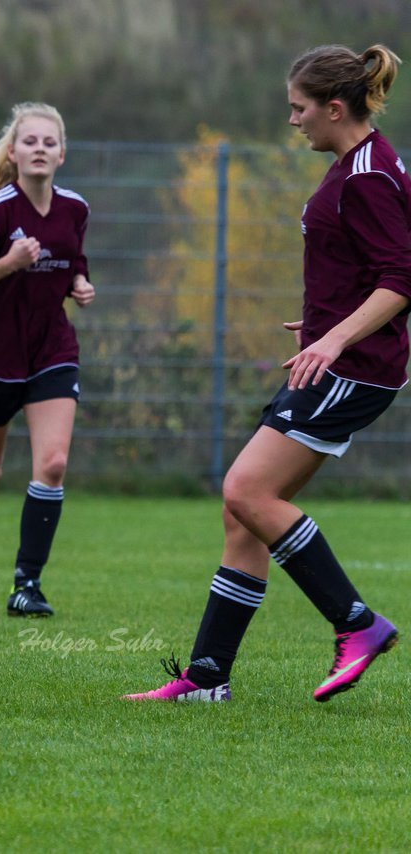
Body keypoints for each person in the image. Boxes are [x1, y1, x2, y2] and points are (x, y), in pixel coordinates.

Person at [126, 44, 407, 703]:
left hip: (352, 369)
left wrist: (335, 338)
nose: (293, 121)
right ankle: (206, 679)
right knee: (243, 513)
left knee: (248, 491)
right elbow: (367, 269)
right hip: (343, 360)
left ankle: (357, 624)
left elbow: (401, 278)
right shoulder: (360, 162)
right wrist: (321, 322)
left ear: (335, 108)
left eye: (299, 109)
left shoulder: (366, 174)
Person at [0, 102, 96, 619]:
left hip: (52, 349)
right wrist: (9, 262)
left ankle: (26, 586)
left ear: (62, 154)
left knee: (52, 464)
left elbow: (74, 257)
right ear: (13, 152)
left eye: (49, 143)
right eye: (30, 141)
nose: (40, 150)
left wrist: (78, 282)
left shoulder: (75, 208)